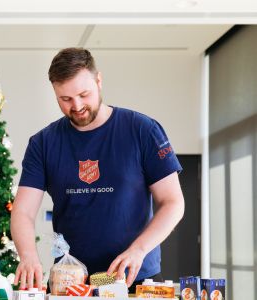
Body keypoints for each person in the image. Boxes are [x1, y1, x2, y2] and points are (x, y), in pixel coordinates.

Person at [11, 48, 185, 290]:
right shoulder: (43, 143)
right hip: (71, 281)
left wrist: (139, 250)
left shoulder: (143, 130)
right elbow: (23, 212)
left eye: (84, 94)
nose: (77, 106)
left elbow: (173, 202)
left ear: (99, 81)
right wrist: (28, 254)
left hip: (133, 277)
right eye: (65, 99)